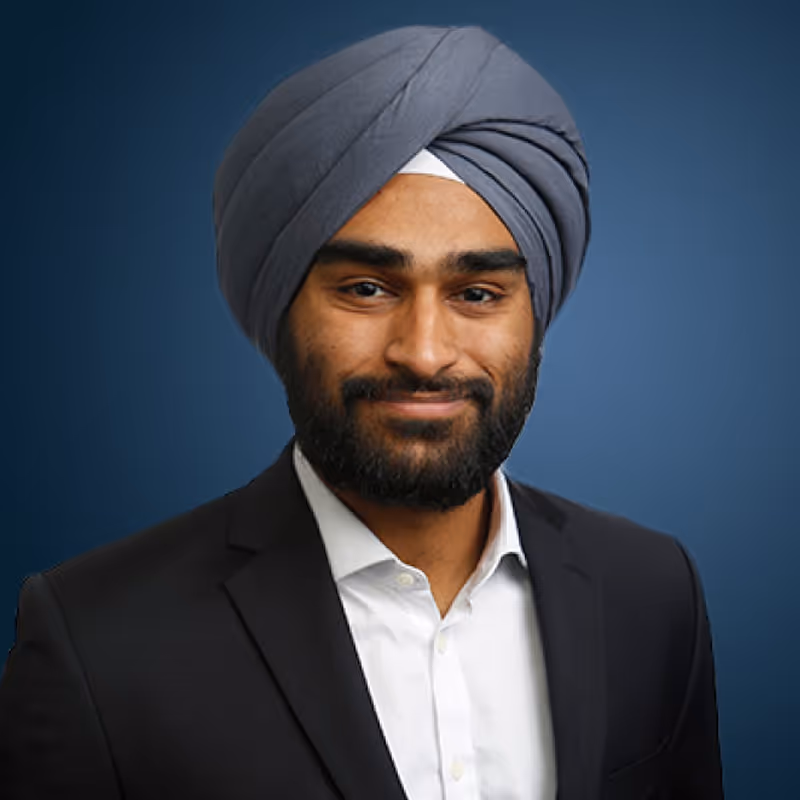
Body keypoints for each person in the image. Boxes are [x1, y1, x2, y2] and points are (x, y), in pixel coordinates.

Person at [0, 24, 724, 800]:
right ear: (282, 311)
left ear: (535, 315)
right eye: (367, 289)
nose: (423, 352)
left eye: (477, 294)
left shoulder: (652, 592)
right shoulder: (99, 641)